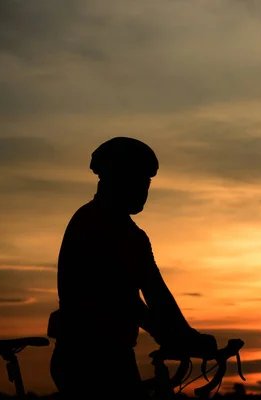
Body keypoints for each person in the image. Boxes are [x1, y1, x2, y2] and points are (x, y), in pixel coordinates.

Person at [48, 137, 216, 399]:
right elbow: (130, 299)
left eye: (147, 183)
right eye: (138, 180)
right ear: (115, 179)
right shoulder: (105, 227)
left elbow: (153, 293)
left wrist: (179, 335)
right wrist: (179, 337)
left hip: (92, 354)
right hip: (94, 359)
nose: (143, 190)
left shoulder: (107, 224)